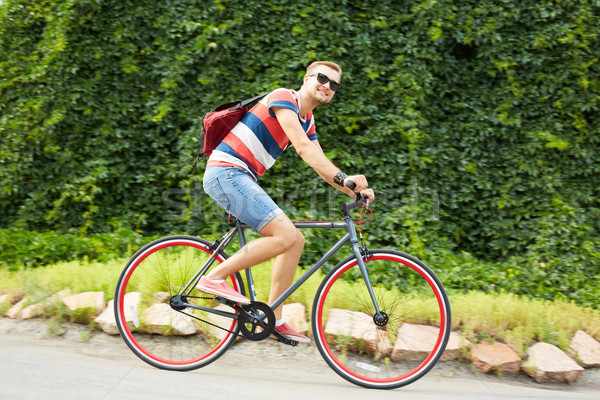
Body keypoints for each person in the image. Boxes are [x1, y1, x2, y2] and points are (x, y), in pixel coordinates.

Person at [198, 61, 375, 343]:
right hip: (226, 173)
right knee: (285, 234)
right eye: (322, 78)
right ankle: (215, 279)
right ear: (306, 78)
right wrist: (346, 178)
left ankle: (274, 319)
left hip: (241, 178)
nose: (327, 86)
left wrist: (352, 191)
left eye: (334, 85)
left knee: (296, 240)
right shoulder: (283, 98)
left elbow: (320, 165)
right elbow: (304, 149)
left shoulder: (308, 120)